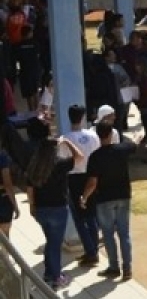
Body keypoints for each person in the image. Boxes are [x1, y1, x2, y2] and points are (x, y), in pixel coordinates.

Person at [26, 121, 85, 289]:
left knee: (50, 242)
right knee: (54, 244)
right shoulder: (60, 164)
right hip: (58, 209)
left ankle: (49, 274)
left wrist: (32, 207)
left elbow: (30, 189)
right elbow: (80, 157)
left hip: (41, 210)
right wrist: (67, 142)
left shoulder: (34, 166)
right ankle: (56, 277)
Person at [80, 121, 136, 282]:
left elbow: (92, 183)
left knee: (108, 234)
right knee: (124, 233)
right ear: (112, 134)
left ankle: (114, 267)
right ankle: (127, 268)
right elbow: (133, 145)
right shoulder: (122, 150)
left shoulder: (95, 157)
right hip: (123, 196)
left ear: (98, 136)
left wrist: (84, 197)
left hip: (104, 199)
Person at [63, 104, 101, 267]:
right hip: (91, 176)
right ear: (83, 117)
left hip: (74, 178)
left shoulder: (66, 139)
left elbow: (63, 162)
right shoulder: (93, 136)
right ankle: (93, 250)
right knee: (91, 215)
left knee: (79, 218)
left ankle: (91, 252)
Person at [0, 143, 19, 237]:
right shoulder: (2, 157)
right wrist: (15, 205)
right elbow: (7, 184)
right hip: (2, 199)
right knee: (5, 235)